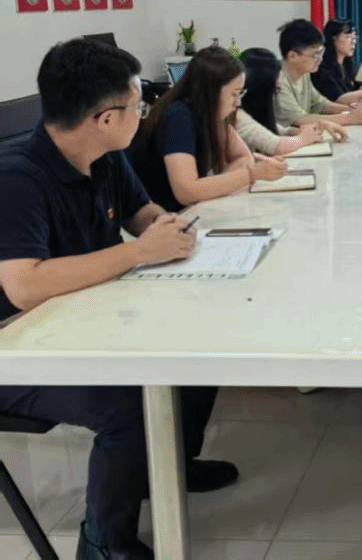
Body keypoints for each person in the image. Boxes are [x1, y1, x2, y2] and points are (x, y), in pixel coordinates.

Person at [0, 38, 238, 560]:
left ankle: (168, 465)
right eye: (138, 107)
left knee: (201, 347)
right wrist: (138, 253)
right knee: (127, 404)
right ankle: (104, 543)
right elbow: (24, 285)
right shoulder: (17, 177)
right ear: (107, 118)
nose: (144, 115)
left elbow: (141, 213)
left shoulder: (105, 156)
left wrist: (166, 227)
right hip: (16, 344)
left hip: (80, 312)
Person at [130, 47, 286, 212]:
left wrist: (216, 185)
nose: (237, 102)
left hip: (193, 209)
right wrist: (250, 174)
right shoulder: (178, 117)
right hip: (168, 214)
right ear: (212, 92)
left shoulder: (212, 114)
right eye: (234, 94)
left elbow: (243, 156)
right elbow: (186, 191)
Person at [237, 47, 348, 155]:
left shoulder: (253, 111)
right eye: (275, 90)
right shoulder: (237, 116)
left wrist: (318, 127)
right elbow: (276, 145)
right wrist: (303, 138)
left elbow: (277, 130)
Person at [274, 19, 362, 131]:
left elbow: (321, 104)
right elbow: (300, 119)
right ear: (292, 56)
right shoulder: (278, 79)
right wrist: (350, 118)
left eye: (320, 53)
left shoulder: (304, 74)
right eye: (315, 55)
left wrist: (353, 110)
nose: (320, 59)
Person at [311, 18, 362, 105]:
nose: (353, 42)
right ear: (333, 38)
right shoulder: (321, 68)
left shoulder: (348, 65)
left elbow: (357, 89)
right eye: (347, 37)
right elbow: (339, 99)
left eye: (354, 38)